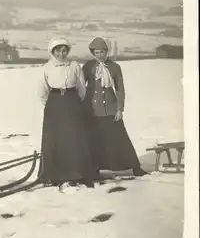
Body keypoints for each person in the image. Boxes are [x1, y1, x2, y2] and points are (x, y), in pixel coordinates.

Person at [82, 36, 148, 177]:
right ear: (92, 53)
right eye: (96, 52)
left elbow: (120, 89)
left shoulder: (114, 67)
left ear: (107, 51)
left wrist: (119, 109)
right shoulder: (88, 67)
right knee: (95, 140)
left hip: (111, 110)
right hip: (93, 111)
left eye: (102, 52)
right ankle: (95, 170)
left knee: (120, 139)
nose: (99, 55)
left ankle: (135, 167)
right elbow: (81, 86)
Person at [38, 38, 98, 188]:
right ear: (52, 51)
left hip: (72, 103)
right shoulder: (46, 68)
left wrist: (73, 102)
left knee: (74, 137)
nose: (61, 53)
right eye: (58, 50)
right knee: (55, 139)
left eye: (64, 50)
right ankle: (54, 174)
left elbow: (81, 88)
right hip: (54, 105)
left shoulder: (74, 66)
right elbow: (42, 91)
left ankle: (77, 173)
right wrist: (53, 105)